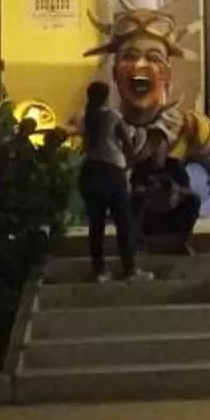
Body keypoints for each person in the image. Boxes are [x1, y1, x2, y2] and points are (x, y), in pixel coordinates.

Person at [78, 80, 142, 283]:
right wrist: (129, 165)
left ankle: (99, 270)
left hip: (90, 171)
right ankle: (130, 268)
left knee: (96, 224)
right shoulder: (112, 116)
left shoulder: (87, 117)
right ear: (107, 96)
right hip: (111, 171)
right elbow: (129, 145)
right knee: (123, 221)